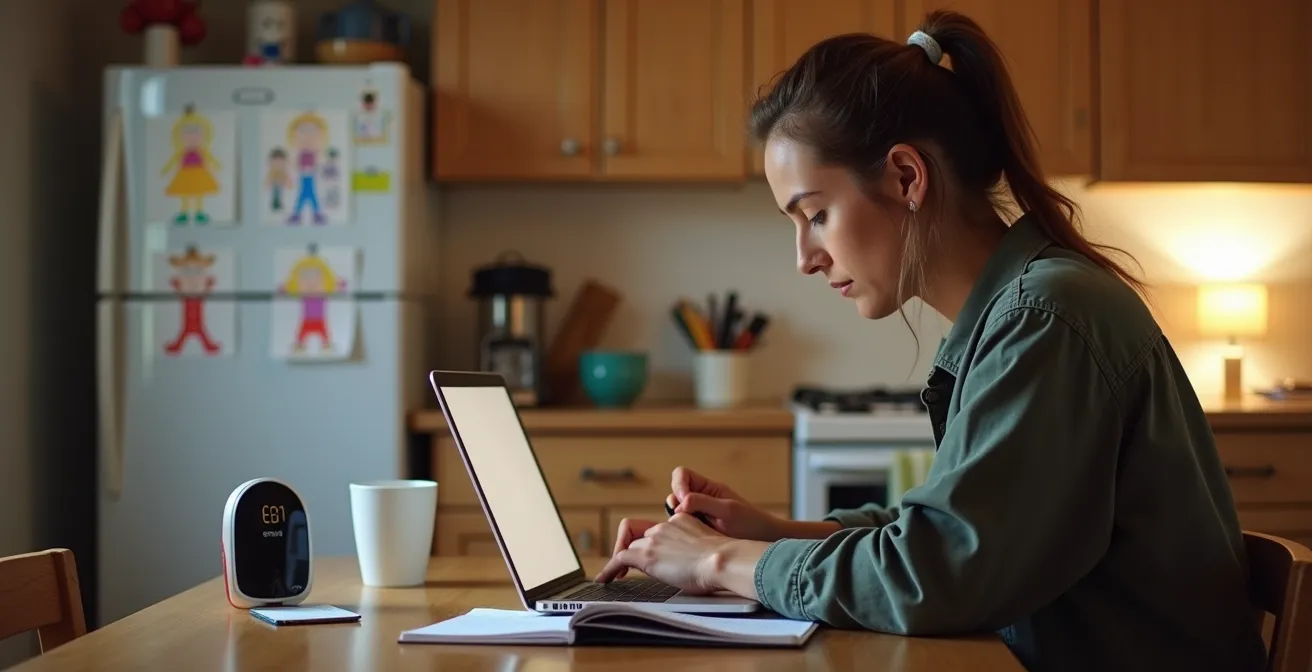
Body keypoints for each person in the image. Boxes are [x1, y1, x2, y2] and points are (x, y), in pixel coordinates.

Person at [595, 11, 1267, 671]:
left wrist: (715, 563)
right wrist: (768, 533)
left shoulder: (1045, 318)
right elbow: (946, 534)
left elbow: (938, 573)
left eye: (816, 215)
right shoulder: (1021, 310)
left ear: (906, 178)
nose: (804, 257)